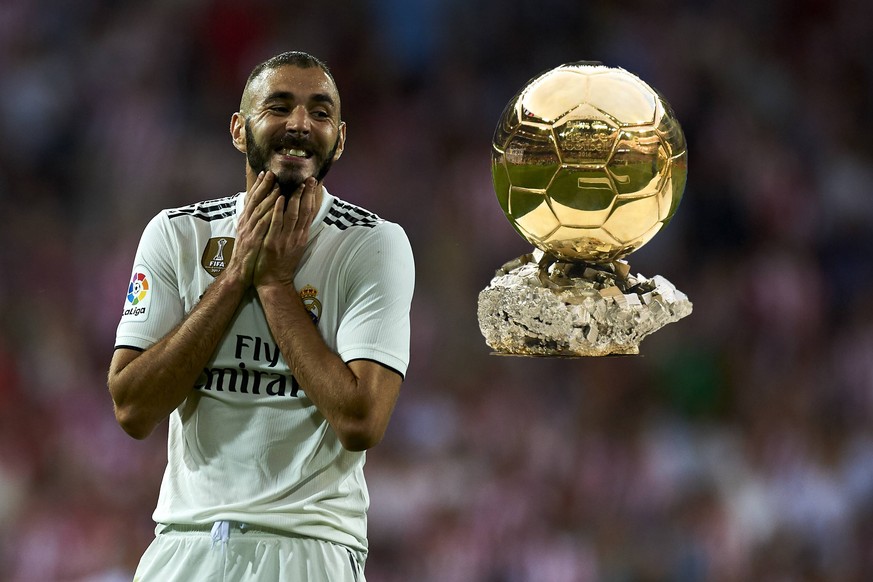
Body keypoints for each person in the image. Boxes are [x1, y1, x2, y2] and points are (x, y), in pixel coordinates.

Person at [108, 51, 415, 581]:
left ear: (338, 139)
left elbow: (362, 420)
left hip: (308, 547)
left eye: (320, 113)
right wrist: (233, 280)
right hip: (186, 545)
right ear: (238, 128)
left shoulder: (372, 245)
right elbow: (132, 407)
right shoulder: (178, 235)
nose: (300, 123)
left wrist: (274, 285)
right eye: (279, 106)